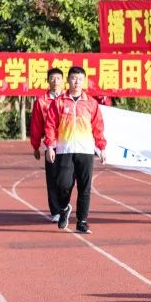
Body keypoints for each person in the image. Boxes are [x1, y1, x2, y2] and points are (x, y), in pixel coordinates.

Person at [43, 66, 107, 234]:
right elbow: (50, 124)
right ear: (68, 80)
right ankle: (64, 208)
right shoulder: (59, 102)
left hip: (85, 150)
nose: (76, 82)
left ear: (84, 81)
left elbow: (98, 127)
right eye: (73, 78)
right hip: (64, 149)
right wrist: (50, 146)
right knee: (62, 185)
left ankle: (82, 221)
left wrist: (101, 147)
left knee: (84, 187)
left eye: (80, 79)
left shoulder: (91, 103)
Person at [29, 68, 66, 221]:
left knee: (66, 178)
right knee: (52, 177)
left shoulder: (69, 98)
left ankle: (65, 205)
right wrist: (36, 145)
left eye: (58, 78)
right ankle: (56, 211)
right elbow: (36, 124)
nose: (55, 81)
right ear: (47, 80)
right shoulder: (42, 101)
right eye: (52, 78)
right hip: (50, 144)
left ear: (63, 80)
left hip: (69, 144)